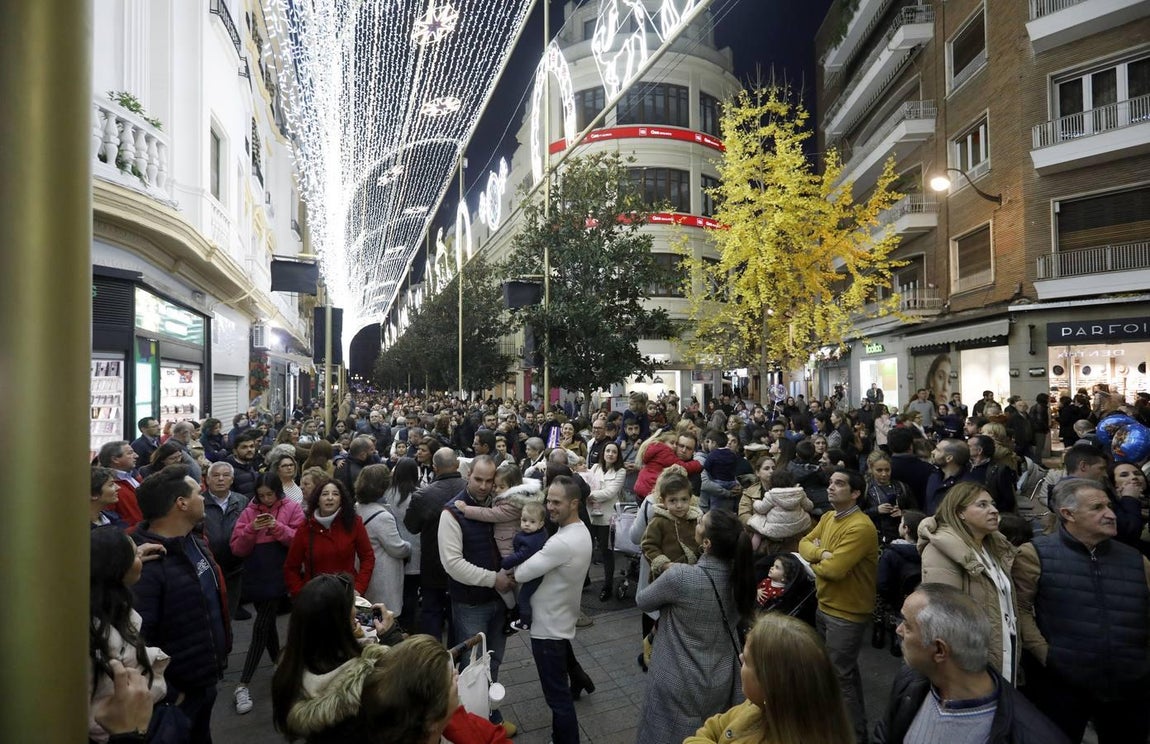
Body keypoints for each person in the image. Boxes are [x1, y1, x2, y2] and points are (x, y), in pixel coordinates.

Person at [1012, 477, 1150, 744]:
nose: (1110, 514)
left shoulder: (1135, 559)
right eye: (1097, 508)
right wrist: (1046, 654)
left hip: (1130, 685)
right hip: (1064, 685)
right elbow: (1021, 609)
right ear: (1068, 514)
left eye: (1109, 506)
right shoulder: (1035, 555)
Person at [874, 583, 1069, 744]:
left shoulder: (1032, 736)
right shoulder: (910, 681)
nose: (898, 630)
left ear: (940, 650)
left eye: (908, 626)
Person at [636, 508, 755, 744]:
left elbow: (643, 600)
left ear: (707, 543)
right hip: (721, 675)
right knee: (708, 733)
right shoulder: (741, 576)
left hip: (675, 676)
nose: (696, 522)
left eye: (700, 523)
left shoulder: (680, 577)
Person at [130, 465, 231, 743]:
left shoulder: (194, 541)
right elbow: (137, 639)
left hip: (206, 677)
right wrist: (171, 693)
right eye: (199, 492)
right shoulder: (147, 565)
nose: (204, 495)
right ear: (181, 503)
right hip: (178, 695)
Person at [508, 476, 594, 744]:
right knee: (560, 688)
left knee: (557, 697)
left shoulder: (561, 542)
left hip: (548, 628)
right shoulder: (578, 531)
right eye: (548, 500)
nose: (550, 507)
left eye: (556, 502)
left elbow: (521, 572)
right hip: (561, 618)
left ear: (574, 503)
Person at [437, 455, 517, 736]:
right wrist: (492, 578)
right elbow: (452, 564)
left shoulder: (500, 504)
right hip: (471, 602)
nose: (483, 486)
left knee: (493, 662)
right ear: (468, 475)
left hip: (500, 600)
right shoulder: (451, 513)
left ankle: (490, 715)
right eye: (478, 479)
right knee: (470, 668)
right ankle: (468, 726)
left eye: (489, 480)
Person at [798, 468, 879, 744]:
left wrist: (817, 559)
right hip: (826, 606)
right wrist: (821, 553)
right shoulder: (829, 516)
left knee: (839, 678)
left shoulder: (860, 527)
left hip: (847, 613)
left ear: (855, 493)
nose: (831, 487)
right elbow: (804, 543)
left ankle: (853, 736)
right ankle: (851, 729)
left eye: (840, 484)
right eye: (831, 483)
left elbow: (835, 570)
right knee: (844, 673)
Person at [685, 612, 854, 744]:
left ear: (770, 684)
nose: (741, 657)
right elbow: (715, 726)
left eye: (748, 660)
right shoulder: (757, 706)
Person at [270, 574, 401, 742]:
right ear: (339, 624)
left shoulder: (289, 669)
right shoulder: (363, 683)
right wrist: (392, 637)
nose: (355, 613)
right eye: (351, 610)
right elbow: (403, 689)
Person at [917, 482, 1019, 683]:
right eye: (982, 505)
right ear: (960, 513)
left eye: (993, 504)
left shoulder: (993, 546)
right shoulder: (941, 552)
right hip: (971, 665)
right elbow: (945, 620)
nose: (994, 510)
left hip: (1005, 650)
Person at [227, 472, 305, 715]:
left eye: (269, 495)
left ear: (278, 491)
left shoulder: (292, 507)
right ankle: (279, 666)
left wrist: (278, 528)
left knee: (261, 627)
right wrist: (251, 529)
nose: (266, 500)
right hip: (256, 574)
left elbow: (299, 541)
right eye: (261, 496)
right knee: (267, 624)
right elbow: (237, 549)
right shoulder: (249, 511)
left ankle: (243, 683)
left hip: (280, 573)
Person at [88, 526, 169, 743]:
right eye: (135, 554)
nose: (140, 557)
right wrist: (132, 730)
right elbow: (93, 717)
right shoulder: (93, 637)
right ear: (117, 568)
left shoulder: (114, 609)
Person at [356, 634, 513, 744]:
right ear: (431, 721)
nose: (457, 675)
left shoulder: (442, 717)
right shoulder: (448, 720)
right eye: (450, 678)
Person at [404, 448, 464, 640]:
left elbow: (411, 526)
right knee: (458, 614)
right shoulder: (470, 489)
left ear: (435, 468)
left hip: (432, 563)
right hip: (464, 563)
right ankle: (456, 658)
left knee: (431, 612)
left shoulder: (423, 495)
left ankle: (433, 659)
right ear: (457, 465)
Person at [284, 478, 375, 597]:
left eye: (335, 494)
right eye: (325, 494)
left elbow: (368, 557)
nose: (330, 498)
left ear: (341, 499)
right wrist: (300, 594)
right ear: (317, 500)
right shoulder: (305, 528)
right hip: (314, 597)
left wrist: (359, 588)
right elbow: (291, 567)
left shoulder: (354, 523)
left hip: (345, 594)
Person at [354, 464, 412, 618]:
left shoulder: (357, 508)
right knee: (385, 617)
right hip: (382, 575)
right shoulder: (382, 516)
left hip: (363, 571)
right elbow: (397, 548)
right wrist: (409, 547)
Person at [201, 461, 249, 620]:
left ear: (232, 479)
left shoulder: (242, 501)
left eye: (225, 475)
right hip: (209, 567)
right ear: (207, 480)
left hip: (235, 567)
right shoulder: (198, 502)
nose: (220, 479)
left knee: (229, 613)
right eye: (215, 475)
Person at [641, 464, 702, 579]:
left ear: (690, 499)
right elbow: (648, 545)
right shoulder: (658, 521)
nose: (679, 505)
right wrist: (664, 564)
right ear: (664, 501)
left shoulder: (695, 519)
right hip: (665, 576)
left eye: (684, 499)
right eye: (673, 500)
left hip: (691, 574)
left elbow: (700, 544)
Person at [582, 441, 625, 601]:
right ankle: (584, 580)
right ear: (603, 453)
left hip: (607, 518)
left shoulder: (621, 472)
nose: (610, 454)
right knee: (586, 550)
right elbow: (586, 483)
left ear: (617, 455)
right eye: (608, 451)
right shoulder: (594, 468)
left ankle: (607, 586)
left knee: (607, 553)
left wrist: (588, 495)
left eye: (614, 452)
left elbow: (610, 492)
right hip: (591, 515)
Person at [504, 501, 548, 632]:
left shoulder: (532, 540)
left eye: (532, 522)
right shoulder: (534, 534)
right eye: (524, 520)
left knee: (523, 597)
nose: (527, 524)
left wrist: (506, 563)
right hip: (532, 571)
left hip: (534, 574)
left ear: (541, 524)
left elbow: (521, 555)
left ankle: (525, 622)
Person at [745, 470, 813, 555]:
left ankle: (753, 548)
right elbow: (809, 506)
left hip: (775, 531)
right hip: (798, 527)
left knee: (755, 521)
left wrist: (755, 502)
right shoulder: (799, 493)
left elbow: (761, 509)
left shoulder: (771, 495)